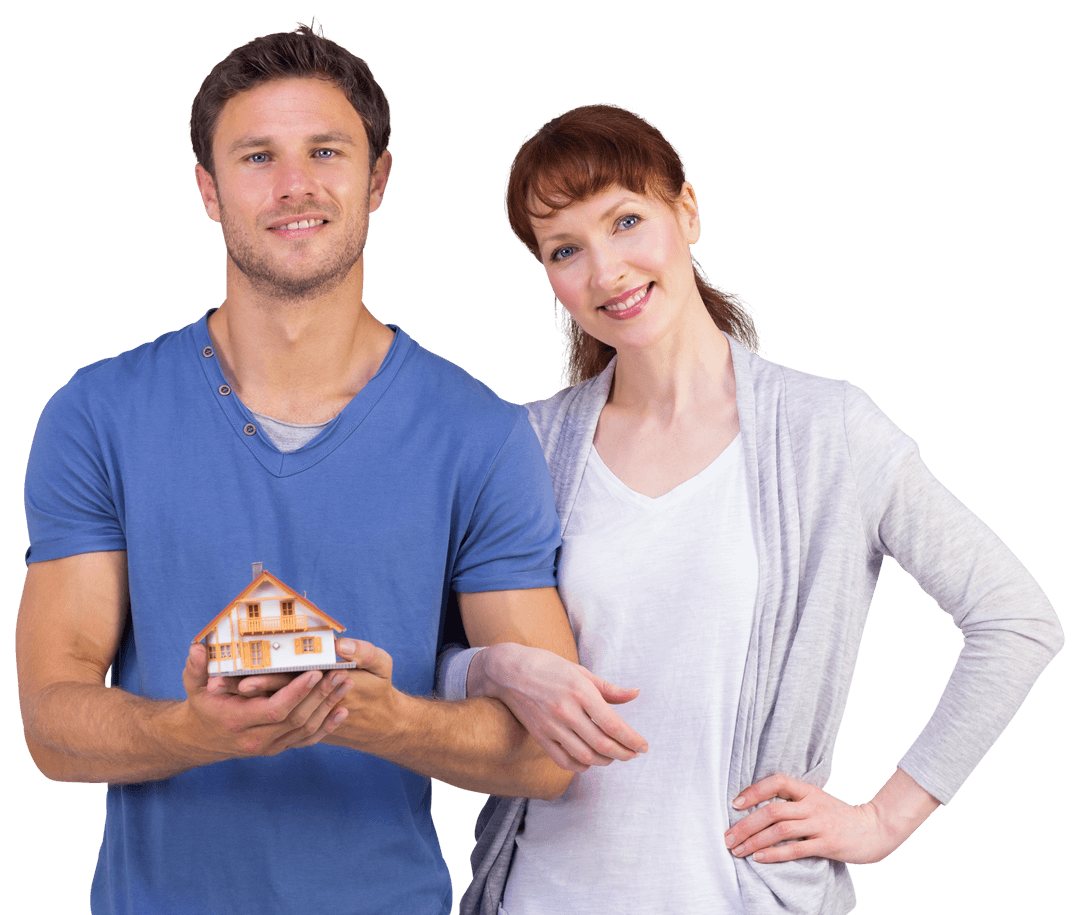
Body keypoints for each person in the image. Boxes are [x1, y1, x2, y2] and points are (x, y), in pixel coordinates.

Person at [436, 104, 1064, 915]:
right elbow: (427, 657)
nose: (605, 271)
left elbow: (1016, 620)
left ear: (687, 211)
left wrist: (884, 819)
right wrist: (487, 668)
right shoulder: (525, 443)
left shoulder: (827, 431)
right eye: (566, 249)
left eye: (627, 220)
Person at [15, 22, 581, 915]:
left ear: (377, 179)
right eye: (256, 157)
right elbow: (52, 724)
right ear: (208, 190)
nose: (294, 186)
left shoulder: (479, 434)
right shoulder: (97, 416)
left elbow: (549, 753)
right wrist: (195, 730)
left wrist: (390, 718)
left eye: (326, 150)